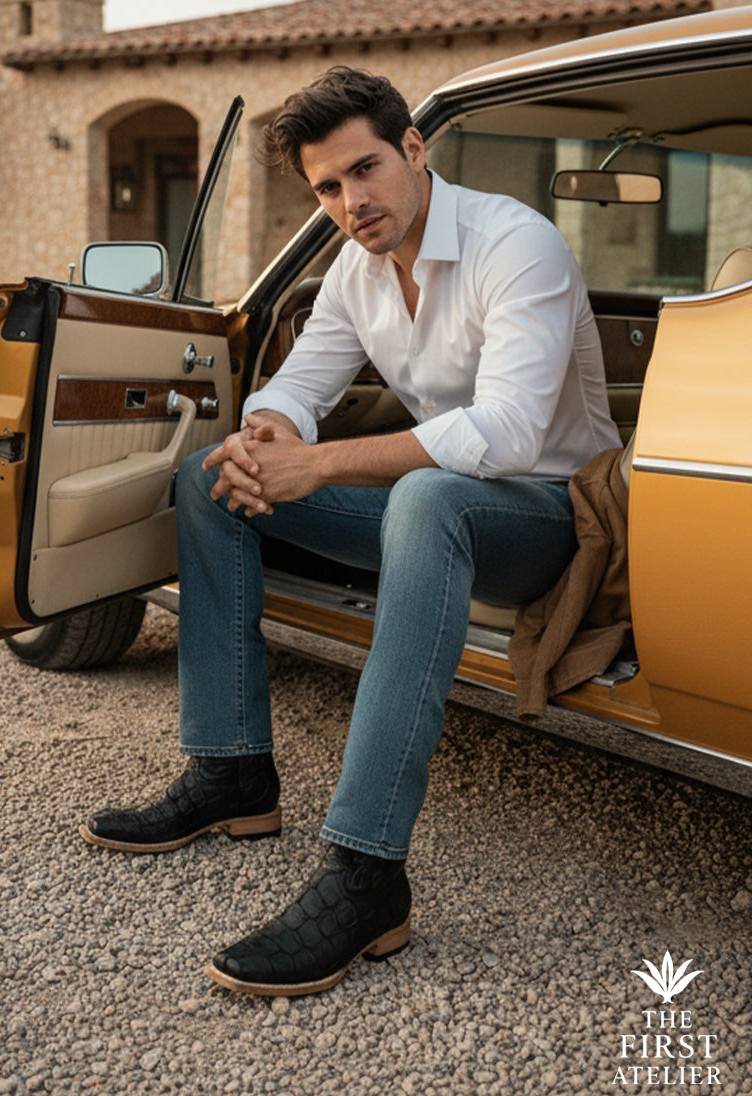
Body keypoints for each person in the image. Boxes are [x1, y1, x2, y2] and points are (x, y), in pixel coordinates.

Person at [79, 66, 621, 997]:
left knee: (428, 496)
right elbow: (301, 382)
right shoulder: (356, 273)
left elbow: (506, 435)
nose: (350, 202)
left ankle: (367, 873)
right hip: (442, 513)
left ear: (414, 149)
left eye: (365, 170)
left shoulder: (514, 244)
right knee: (207, 482)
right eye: (327, 188)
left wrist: (319, 465)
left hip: (549, 518)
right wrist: (268, 434)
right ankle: (232, 771)